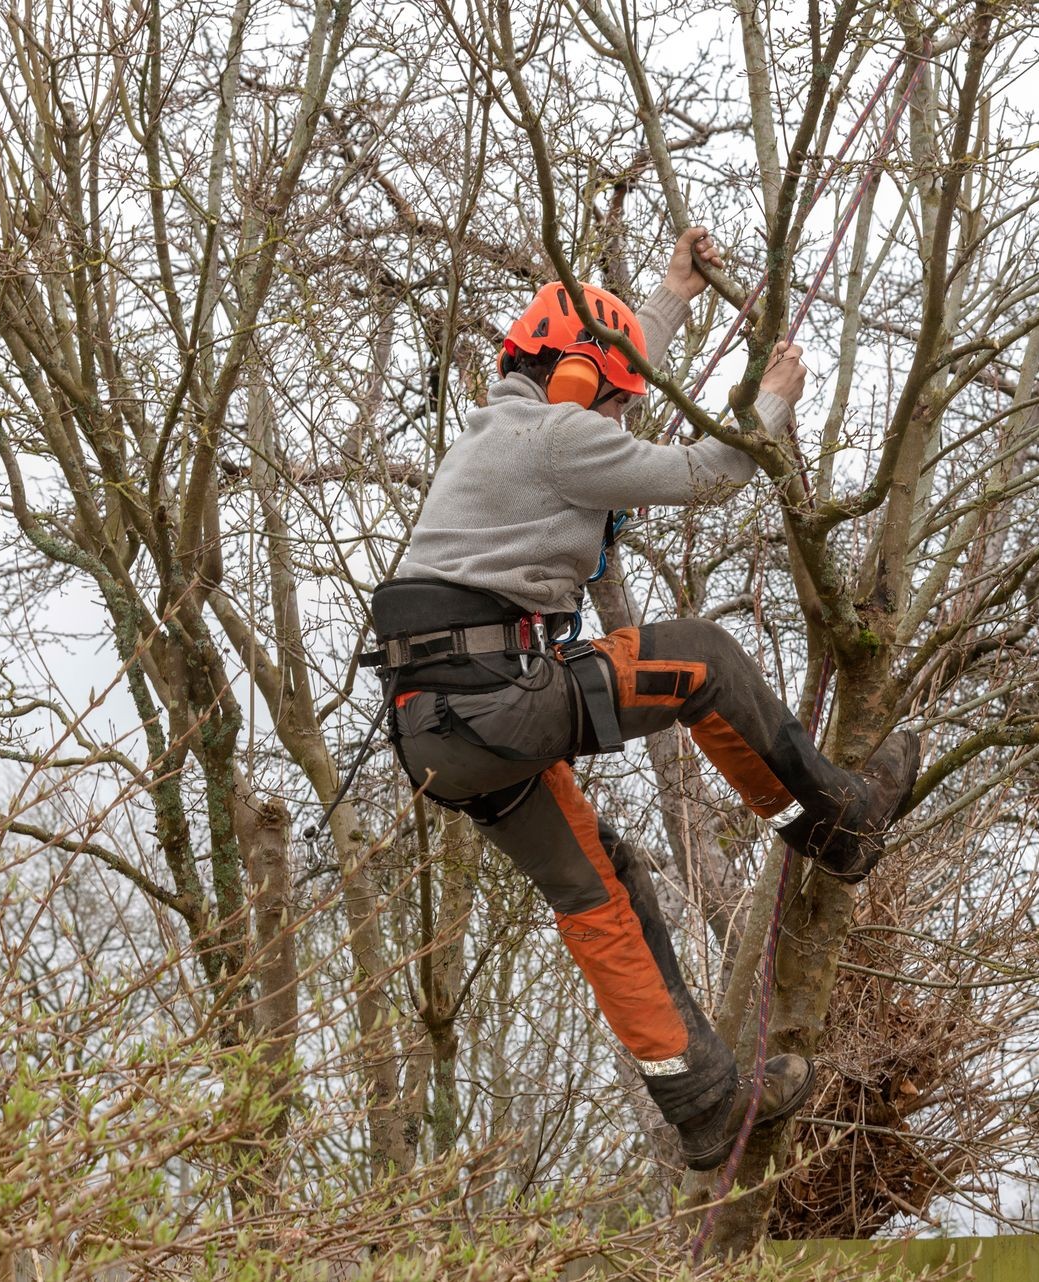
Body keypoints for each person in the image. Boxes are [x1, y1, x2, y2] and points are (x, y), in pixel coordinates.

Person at [365, 227, 918, 1169]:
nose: (626, 407)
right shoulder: (559, 436)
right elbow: (710, 473)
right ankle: (837, 824)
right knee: (698, 657)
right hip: (498, 694)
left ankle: (702, 1101)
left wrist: (671, 293)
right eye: (615, 390)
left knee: (598, 887)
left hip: (430, 732)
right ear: (578, 379)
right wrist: (770, 406)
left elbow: (612, 365)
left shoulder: (503, 424)